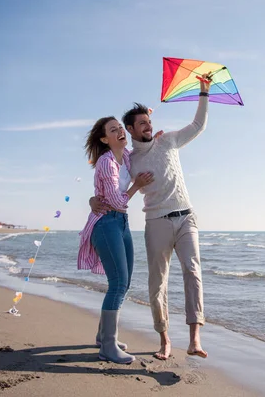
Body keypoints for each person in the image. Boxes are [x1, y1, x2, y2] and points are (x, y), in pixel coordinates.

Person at [91, 73, 211, 360]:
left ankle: (195, 339)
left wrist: (203, 93)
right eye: (142, 123)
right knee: (158, 283)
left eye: (150, 121)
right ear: (130, 129)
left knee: (193, 271)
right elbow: (112, 181)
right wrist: (94, 197)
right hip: (156, 222)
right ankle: (165, 340)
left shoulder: (168, 141)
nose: (149, 126)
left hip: (186, 217)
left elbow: (197, 125)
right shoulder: (130, 159)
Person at [78, 116, 154, 364]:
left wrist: (156, 135)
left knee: (125, 281)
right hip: (106, 223)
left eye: (120, 127)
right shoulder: (106, 162)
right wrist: (137, 186)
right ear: (104, 139)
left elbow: (143, 149)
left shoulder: (127, 157)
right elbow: (116, 201)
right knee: (118, 283)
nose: (120, 131)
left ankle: (103, 337)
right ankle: (108, 347)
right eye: (113, 130)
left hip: (122, 223)